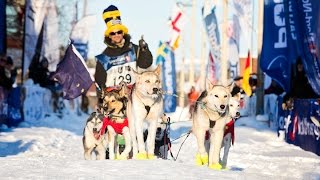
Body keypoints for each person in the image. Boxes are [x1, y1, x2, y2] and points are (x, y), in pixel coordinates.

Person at [94, 5, 153, 102]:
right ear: (109, 36)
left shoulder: (133, 49)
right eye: (113, 33)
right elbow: (100, 83)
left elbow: (146, 64)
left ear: (123, 33)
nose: (116, 35)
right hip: (114, 99)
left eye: (119, 32)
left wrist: (144, 49)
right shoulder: (104, 57)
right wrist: (101, 101)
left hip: (133, 97)